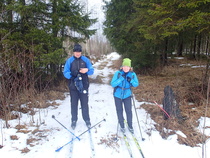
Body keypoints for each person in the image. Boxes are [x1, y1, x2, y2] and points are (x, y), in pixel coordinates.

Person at [63, 43, 94, 129]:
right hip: (73, 86)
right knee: (74, 104)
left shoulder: (85, 60)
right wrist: (72, 74)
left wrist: (86, 70)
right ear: (73, 52)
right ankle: (74, 120)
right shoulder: (69, 61)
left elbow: (92, 70)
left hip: (84, 85)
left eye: (79, 52)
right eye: (76, 52)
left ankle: (87, 120)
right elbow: (65, 72)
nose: (78, 53)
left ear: (81, 52)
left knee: (84, 103)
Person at [111, 58, 139, 133]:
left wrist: (131, 80)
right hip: (117, 95)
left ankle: (130, 126)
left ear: (130, 68)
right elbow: (112, 84)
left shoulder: (132, 74)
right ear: (122, 66)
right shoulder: (118, 73)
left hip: (127, 95)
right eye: (124, 66)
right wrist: (120, 79)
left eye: (127, 66)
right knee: (119, 111)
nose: (126, 68)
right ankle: (122, 125)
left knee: (128, 111)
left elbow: (136, 84)